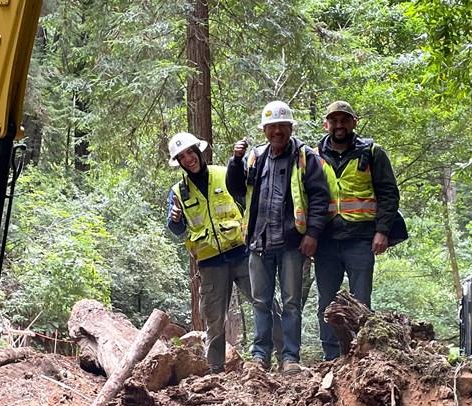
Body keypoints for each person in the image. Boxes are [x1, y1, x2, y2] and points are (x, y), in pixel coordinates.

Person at [226, 100, 330, 374]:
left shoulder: (305, 157)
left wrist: (312, 233)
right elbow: (236, 187)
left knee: (291, 303)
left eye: (282, 126)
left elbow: (320, 197)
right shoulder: (255, 157)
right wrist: (235, 161)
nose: (277, 132)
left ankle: (290, 358)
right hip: (259, 243)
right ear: (265, 130)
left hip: (292, 245)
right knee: (260, 302)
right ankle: (261, 356)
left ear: (290, 127)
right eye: (271, 127)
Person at [313, 100, 400, 361]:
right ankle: (331, 358)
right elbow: (305, 196)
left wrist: (382, 231)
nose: (339, 125)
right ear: (326, 123)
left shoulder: (372, 152)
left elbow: (388, 193)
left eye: (344, 120)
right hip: (326, 242)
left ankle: (364, 356)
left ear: (354, 122)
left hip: (361, 240)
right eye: (334, 120)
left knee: (361, 303)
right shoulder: (313, 155)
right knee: (326, 305)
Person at [165, 131, 253, 373]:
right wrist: (175, 220)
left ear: (198, 152)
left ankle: (281, 356)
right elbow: (176, 228)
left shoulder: (225, 174)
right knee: (214, 320)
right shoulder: (178, 192)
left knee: (265, 303)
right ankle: (216, 370)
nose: (188, 159)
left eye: (190, 153)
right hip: (210, 263)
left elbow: (247, 205)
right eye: (182, 157)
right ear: (179, 163)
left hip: (241, 253)